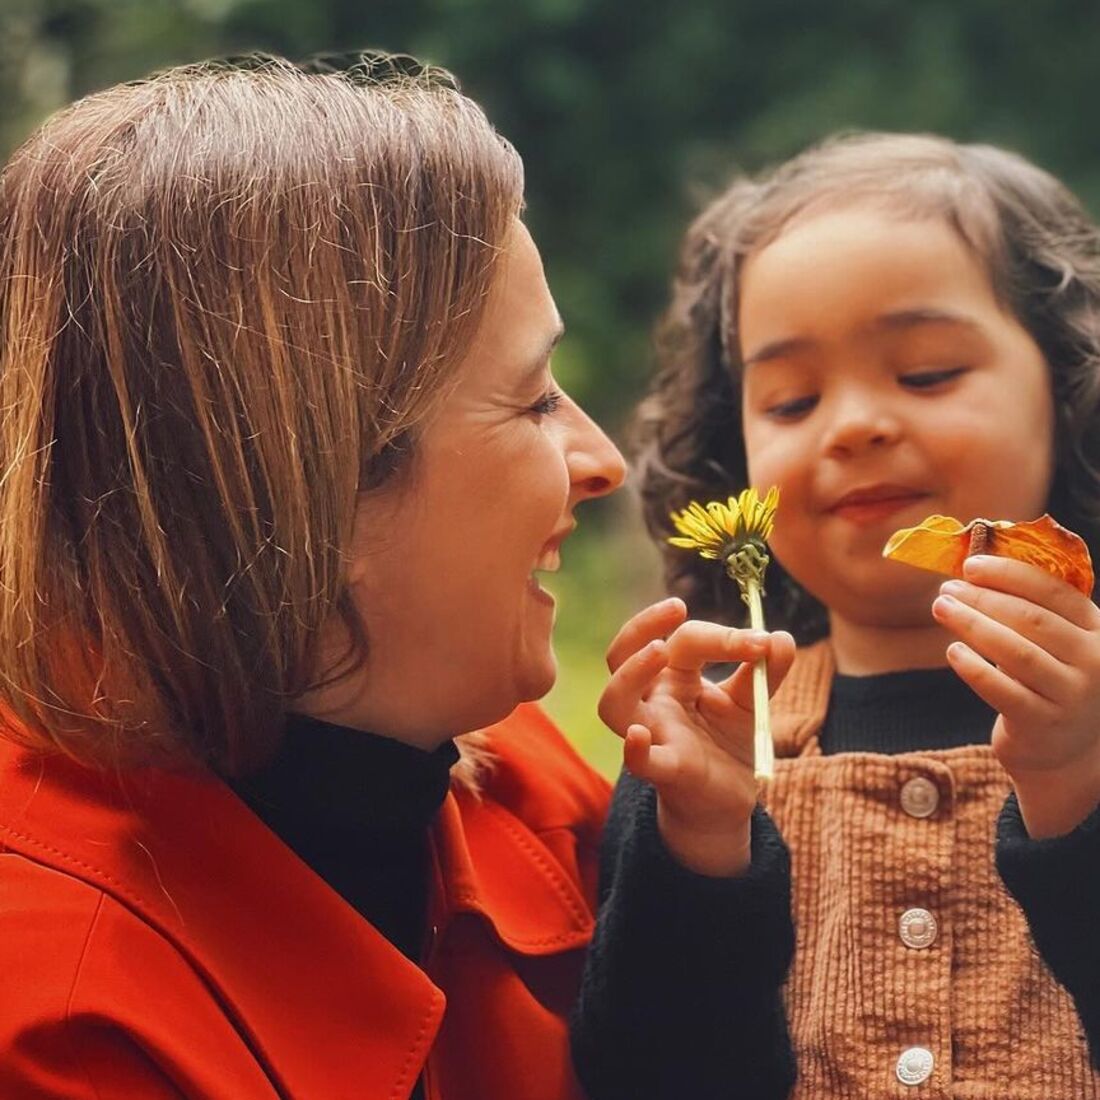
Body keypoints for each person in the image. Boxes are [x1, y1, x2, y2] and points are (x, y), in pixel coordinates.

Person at [0, 52, 796, 1100]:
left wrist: (698, 874)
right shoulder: (66, 1020)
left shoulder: (508, 769)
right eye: (531, 402)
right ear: (313, 497)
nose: (602, 459)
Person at [574, 132, 1100, 1099]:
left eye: (929, 373)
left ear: (1070, 391)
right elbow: (645, 1073)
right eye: (792, 399)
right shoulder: (712, 748)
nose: (853, 422)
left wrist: (1076, 783)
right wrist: (700, 846)